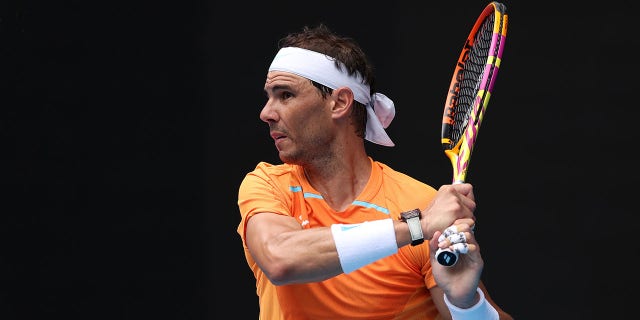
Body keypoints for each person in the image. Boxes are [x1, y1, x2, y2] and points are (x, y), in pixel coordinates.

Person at [237, 23, 513, 320]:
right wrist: (416, 227)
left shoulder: (419, 201)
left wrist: (467, 304)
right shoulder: (267, 185)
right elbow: (281, 259)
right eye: (269, 96)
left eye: (286, 95)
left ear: (340, 102)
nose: (266, 113)